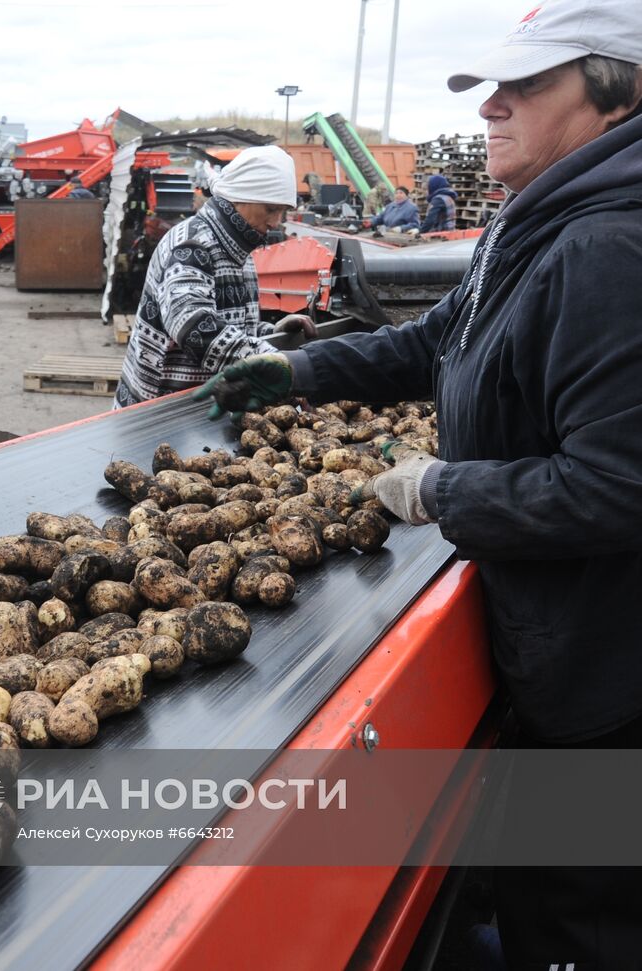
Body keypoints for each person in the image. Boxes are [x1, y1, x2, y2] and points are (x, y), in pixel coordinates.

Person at [192, 1, 642, 965]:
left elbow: (615, 487)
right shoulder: (539, 220)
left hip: (610, 681)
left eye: (529, 83)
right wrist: (303, 372)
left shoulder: (612, 248)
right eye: (491, 85)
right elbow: (443, 341)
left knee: (579, 918)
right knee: (527, 884)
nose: (492, 106)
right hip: (558, 644)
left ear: (617, 96)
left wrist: (442, 491)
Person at [113, 145, 314, 406]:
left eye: (281, 212)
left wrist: (271, 332)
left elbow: (231, 325)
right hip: (161, 411)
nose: (276, 222)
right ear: (240, 196)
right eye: (270, 209)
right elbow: (195, 328)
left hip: (204, 406)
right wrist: (279, 363)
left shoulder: (239, 248)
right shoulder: (193, 246)